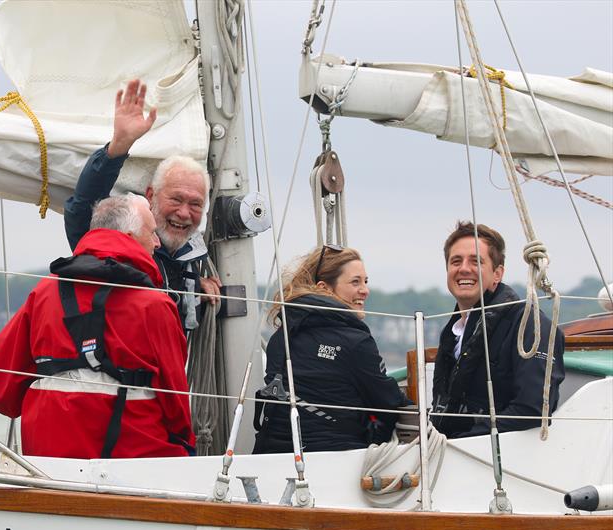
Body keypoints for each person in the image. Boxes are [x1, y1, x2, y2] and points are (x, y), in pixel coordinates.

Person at [0, 194, 195, 459]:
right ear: (128, 236)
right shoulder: (154, 305)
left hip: (48, 455)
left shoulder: (45, 292)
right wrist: (187, 446)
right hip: (135, 456)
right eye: (151, 232)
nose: (156, 242)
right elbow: (175, 401)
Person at [64, 79, 220, 332]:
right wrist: (119, 146)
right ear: (151, 195)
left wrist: (190, 287)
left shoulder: (188, 262)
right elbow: (82, 210)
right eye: (176, 199)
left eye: (195, 204)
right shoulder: (119, 246)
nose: (184, 213)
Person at [253, 246, 408, 454]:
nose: (365, 290)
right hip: (334, 459)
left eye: (365, 281)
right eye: (355, 282)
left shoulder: (281, 336)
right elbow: (388, 404)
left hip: (270, 455)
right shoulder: (355, 341)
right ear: (324, 289)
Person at [431, 222, 565, 438]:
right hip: (452, 450)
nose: (464, 268)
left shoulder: (528, 325)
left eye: (476, 261)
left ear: (497, 274)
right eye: (456, 261)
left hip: (497, 456)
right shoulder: (454, 332)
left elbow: (532, 410)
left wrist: (458, 441)